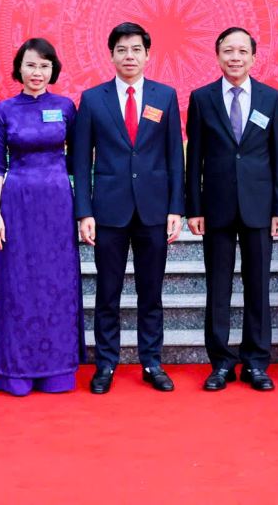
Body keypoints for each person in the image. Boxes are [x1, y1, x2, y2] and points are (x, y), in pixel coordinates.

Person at [71, 22, 185, 394]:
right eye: (122, 50)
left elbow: (174, 156)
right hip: (108, 211)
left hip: (154, 210)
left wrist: (175, 208)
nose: (129, 56)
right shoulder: (93, 99)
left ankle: (152, 361)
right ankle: (106, 363)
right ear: (111, 55)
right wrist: (84, 212)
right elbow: (80, 162)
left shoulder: (165, 96)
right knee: (108, 292)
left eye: (136, 49)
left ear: (148, 55)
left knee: (151, 293)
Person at [185, 27, 278, 392]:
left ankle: (256, 362)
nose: (235, 57)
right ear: (217, 56)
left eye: (242, 51)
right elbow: (194, 157)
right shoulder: (202, 98)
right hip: (216, 207)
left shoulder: (271, 98)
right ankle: (221, 363)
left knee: (258, 286)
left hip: (259, 207)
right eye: (228, 51)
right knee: (219, 287)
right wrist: (194, 207)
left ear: (253, 57)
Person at [0, 38, 83, 396]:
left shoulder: (66, 107)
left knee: (59, 283)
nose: (37, 72)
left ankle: (58, 369)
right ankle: (17, 372)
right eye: (30, 65)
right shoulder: (4, 110)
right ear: (19, 69)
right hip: (17, 204)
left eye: (44, 65)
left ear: (53, 69)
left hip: (58, 205)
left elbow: (78, 161)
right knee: (18, 285)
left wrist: (83, 210)